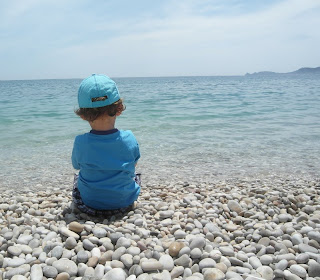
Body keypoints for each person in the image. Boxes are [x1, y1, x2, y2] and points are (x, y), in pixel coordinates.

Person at [71, 74, 141, 216]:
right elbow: (133, 164)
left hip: (89, 203)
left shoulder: (80, 142)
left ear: (83, 115)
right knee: (135, 176)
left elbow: (77, 166)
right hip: (124, 202)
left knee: (77, 178)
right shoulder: (129, 138)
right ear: (119, 109)